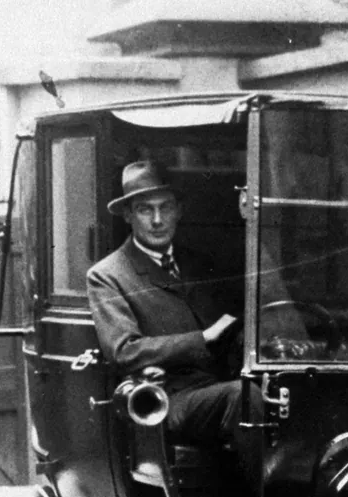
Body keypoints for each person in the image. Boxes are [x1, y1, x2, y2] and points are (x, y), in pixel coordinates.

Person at [88, 160, 241, 448]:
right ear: (128, 215)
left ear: (179, 211)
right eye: (146, 209)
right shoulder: (108, 275)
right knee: (244, 397)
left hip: (218, 387)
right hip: (169, 399)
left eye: (166, 207)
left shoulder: (199, 264)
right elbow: (124, 350)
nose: (157, 220)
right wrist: (203, 338)